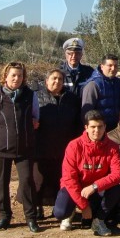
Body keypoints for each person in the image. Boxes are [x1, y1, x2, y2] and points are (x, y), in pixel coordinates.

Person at [0, 62, 40, 233]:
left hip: (25, 147)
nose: (17, 78)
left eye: (20, 75)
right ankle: (4, 217)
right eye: (13, 75)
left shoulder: (30, 96)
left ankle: (31, 218)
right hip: (0, 149)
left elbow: (36, 117)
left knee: (28, 181)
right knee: (2, 183)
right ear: (5, 76)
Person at [53, 110, 120, 236]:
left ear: (105, 127)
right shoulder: (74, 146)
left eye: (100, 127)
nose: (96, 131)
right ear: (86, 127)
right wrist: (83, 206)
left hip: (95, 189)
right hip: (75, 187)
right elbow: (69, 178)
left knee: (116, 188)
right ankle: (70, 213)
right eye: (93, 127)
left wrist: (94, 186)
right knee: (60, 212)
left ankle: (99, 220)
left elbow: (119, 174)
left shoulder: (112, 147)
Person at [33, 68, 82, 219]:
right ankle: (36, 207)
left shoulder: (71, 98)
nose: (57, 82)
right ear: (46, 81)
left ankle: (58, 207)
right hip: (41, 146)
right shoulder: (37, 97)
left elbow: (76, 122)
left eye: (60, 79)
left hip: (64, 146)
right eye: (53, 78)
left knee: (58, 179)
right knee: (39, 180)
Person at [82, 54, 120, 130]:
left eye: (116, 66)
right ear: (102, 66)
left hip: (116, 130)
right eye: (110, 65)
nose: (113, 68)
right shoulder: (93, 85)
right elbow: (87, 112)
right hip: (99, 130)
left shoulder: (119, 83)